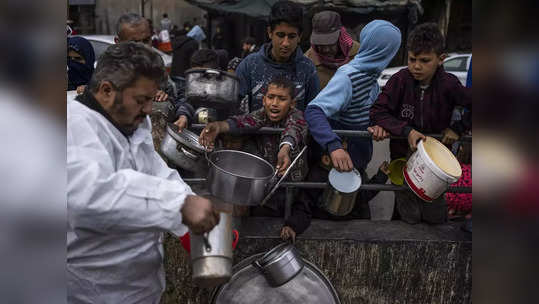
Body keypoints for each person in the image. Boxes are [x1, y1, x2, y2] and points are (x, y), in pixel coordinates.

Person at [67, 42, 220, 303]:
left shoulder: (133, 120)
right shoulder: (73, 126)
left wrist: (191, 217)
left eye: (151, 99)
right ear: (106, 90)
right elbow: (91, 194)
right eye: (142, 100)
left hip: (139, 288)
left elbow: (154, 171)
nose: (149, 109)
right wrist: (178, 205)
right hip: (91, 291)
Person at [369, 22, 472, 224]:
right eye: (412, 59)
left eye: (425, 61)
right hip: (403, 159)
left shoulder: (449, 84)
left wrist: (458, 128)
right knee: (406, 214)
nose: (416, 66)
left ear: (441, 59)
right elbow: (377, 111)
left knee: (434, 215)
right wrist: (405, 130)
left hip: (437, 162)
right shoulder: (399, 80)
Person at [199, 74, 310, 242]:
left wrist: (285, 148)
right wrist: (218, 126)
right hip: (266, 186)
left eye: (281, 99)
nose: (274, 103)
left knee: (300, 211)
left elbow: (293, 130)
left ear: (292, 103)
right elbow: (243, 122)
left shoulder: (297, 116)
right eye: (271, 97)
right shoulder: (261, 115)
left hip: (290, 188)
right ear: (264, 99)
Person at [235, 0, 320, 112]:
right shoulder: (250, 65)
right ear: (270, 32)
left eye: (292, 36)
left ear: (299, 36)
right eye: (280, 35)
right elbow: (234, 105)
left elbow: (314, 110)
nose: (286, 43)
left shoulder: (307, 68)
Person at [114, 13, 169, 102]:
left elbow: (171, 91)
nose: (143, 47)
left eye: (146, 40)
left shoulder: (155, 60)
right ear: (118, 42)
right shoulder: (109, 65)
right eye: (134, 42)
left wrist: (163, 94)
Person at [305, 10, 360, 89]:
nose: (326, 50)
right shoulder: (307, 64)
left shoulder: (359, 53)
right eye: (321, 45)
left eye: (331, 44)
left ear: (340, 37)